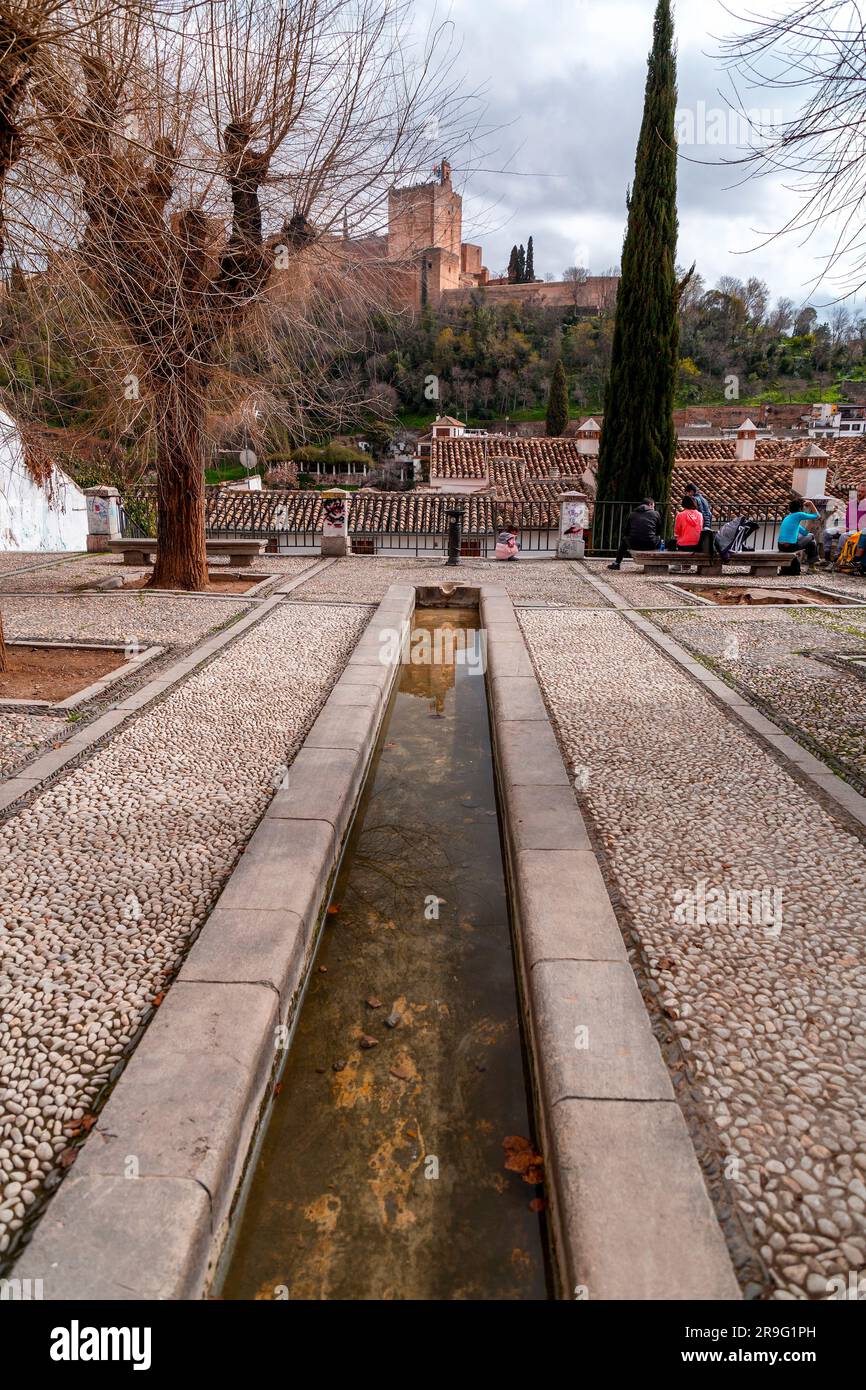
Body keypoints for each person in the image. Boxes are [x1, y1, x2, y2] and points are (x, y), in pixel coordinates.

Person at [608, 499, 663, 570]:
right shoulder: (656, 513)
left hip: (633, 544)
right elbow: (659, 531)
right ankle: (657, 564)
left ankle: (617, 563)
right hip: (650, 544)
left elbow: (626, 531)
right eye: (653, 506)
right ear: (650, 504)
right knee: (659, 539)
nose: (654, 508)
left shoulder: (632, 514)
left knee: (624, 540)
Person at [777, 498, 820, 572]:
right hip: (790, 546)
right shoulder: (799, 514)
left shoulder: (788, 517)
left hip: (781, 546)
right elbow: (817, 515)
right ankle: (811, 566)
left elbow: (805, 533)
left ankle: (811, 566)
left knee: (812, 542)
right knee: (812, 536)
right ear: (800, 508)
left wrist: (809, 524)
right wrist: (811, 504)